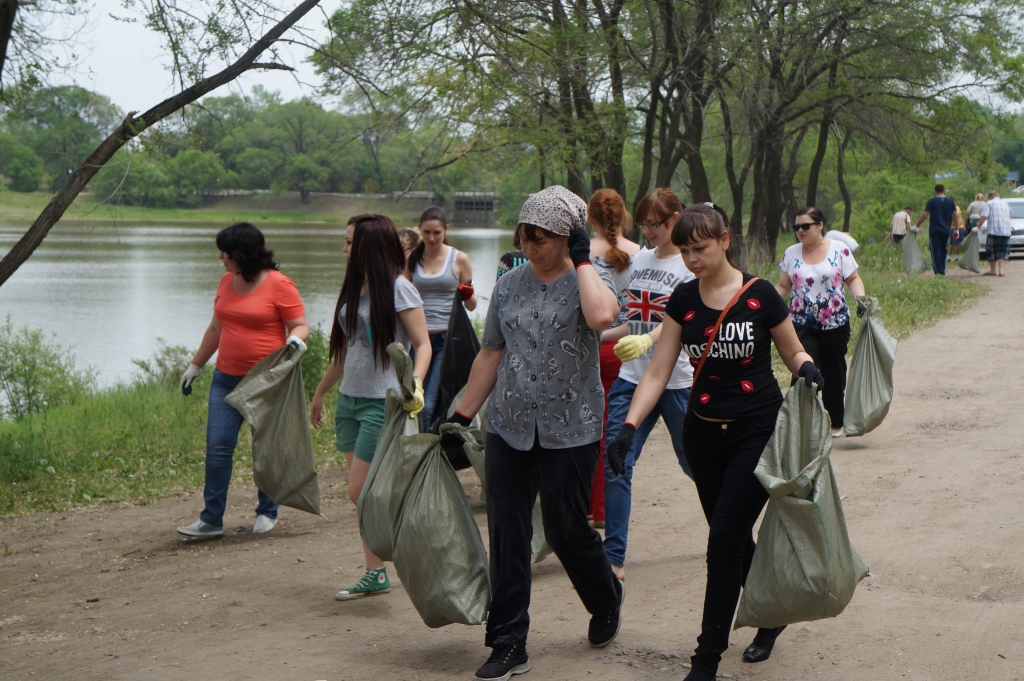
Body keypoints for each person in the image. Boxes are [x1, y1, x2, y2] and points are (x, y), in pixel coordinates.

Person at [605, 204, 822, 681]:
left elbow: (791, 349)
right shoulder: (682, 299)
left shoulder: (760, 294)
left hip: (756, 433)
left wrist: (806, 369)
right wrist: (627, 427)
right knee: (734, 537)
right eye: (684, 250)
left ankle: (706, 661)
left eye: (699, 248)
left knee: (721, 541)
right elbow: (659, 370)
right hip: (702, 435)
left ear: (725, 240)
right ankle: (770, 615)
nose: (691, 259)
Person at [442, 186, 625, 681]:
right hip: (510, 424)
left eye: (541, 238)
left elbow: (602, 318)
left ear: (569, 238)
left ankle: (606, 597)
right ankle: (508, 642)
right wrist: (460, 417)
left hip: (573, 427)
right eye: (524, 235)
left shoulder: (592, 280)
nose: (529, 246)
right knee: (507, 532)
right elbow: (491, 354)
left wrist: (584, 261)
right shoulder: (508, 285)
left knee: (566, 529)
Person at [308, 214, 432, 601]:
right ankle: (375, 572)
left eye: (349, 242)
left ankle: (415, 550)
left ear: (368, 246)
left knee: (360, 490)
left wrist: (415, 385)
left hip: (383, 401)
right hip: (349, 400)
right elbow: (346, 351)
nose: (344, 249)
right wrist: (321, 392)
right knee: (363, 495)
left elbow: (423, 344)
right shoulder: (354, 288)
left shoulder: (399, 289)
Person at [177, 222, 310, 538]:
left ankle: (267, 510)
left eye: (225, 252)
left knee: (266, 447)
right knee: (218, 445)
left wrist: (294, 342)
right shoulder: (226, 281)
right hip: (225, 378)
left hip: (265, 381)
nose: (221, 257)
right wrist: (195, 365)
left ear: (242, 254)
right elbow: (216, 329)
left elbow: (300, 325)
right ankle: (211, 520)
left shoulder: (279, 284)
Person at [600, 188, 695, 582]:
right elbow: (633, 320)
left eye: (653, 223)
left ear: (675, 218)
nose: (647, 230)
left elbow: (683, 322)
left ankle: (735, 531)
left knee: (696, 463)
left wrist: (650, 339)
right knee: (616, 461)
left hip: (676, 381)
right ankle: (613, 558)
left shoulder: (690, 265)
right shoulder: (639, 258)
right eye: (642, 224)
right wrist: (600, 336)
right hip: (632, 379)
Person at [776, 207, 865, 437]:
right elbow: (784, 286)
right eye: (797, 227)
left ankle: (835, 421)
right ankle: (801, 422)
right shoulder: (791, 253)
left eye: (805, 226)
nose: (800, 231)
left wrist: (861, 301)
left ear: (820, 225)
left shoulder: (839, 250)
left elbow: (853, 279)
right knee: (803, 367)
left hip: (834, 323)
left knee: (833, 372)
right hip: (800, 322)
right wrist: (764, 304)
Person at [585, 188, 640, 530]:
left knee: (587, 429)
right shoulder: (641, 254)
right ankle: (605, 508)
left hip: (590, 348)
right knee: (614, 430)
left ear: (590, 219)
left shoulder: (582, 255)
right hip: (627, 349)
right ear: (624, 217)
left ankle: (591, 506)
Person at [406, 206, 477, 430]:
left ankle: (427, 455)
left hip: (446, 342)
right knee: (409, 400)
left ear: (446, 230)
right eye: (426, 232)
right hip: (416, 340)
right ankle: (412, 452)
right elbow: (401, 297)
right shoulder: (412, 260)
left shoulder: (459, 259)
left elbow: (472, 306)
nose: (431, 237)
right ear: (420, 230)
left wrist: (468, 294)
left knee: (427, 406)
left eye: (437, 232)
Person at [913, 184, 956, 275]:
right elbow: (956, 215)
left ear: (935, 190)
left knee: (935, 250)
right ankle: (942, 270)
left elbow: (925, 215)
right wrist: (956, 229)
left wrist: (916, 225)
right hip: (946, 230)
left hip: (935, 230)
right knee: (943, 250)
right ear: (944, 190)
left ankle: (938, 272)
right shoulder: (950, 202)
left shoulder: (932, 201)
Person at [978, 189, 1012, 277]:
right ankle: (1001, 271)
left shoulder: (989, 203)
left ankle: (993, 270)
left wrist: (978, 227)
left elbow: (984, 216)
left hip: (993, 231)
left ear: (990, 197)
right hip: (1006, 231)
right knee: (1003, 251)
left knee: (991, 250)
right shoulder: (1006, 204)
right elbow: (1009, 216)